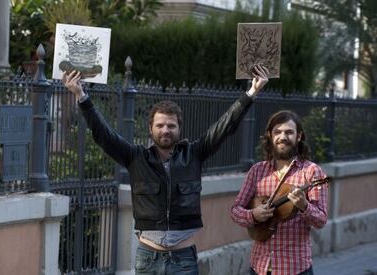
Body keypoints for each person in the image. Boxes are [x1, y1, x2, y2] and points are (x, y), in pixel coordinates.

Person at [62, 65, 269, 275]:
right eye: (160, 126)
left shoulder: (194, 154)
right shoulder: (136, 157)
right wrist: (81, 96)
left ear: (179, 128)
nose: (165, 130)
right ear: (150, 128)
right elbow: (103, 135)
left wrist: (252, 93)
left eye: (171, 126)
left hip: (183, 259)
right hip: (148, 258)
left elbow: (225, 126)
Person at [230, 110, 329, 275]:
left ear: (299, 137)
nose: (283, 137)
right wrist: (253, 214)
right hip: (259, 267)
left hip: (295, 268)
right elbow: (235, 210)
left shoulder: (312, 172)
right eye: (277, 132)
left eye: (289, 132)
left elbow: (321, 220)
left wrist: (304, 206)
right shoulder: (257, 171)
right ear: (270, 135)